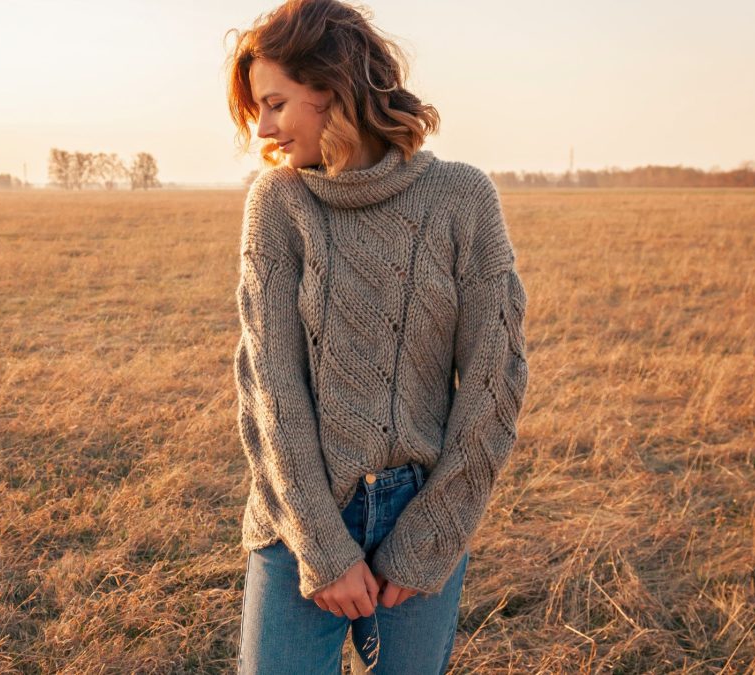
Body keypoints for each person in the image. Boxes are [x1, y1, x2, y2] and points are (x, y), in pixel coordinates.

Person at [224, 0, 530, 673]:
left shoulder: (463, 199)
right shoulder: (278, 205)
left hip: (424, 514)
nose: (265, 130)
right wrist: (322, 547)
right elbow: (271, 389)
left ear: (332, 87)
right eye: (258, 111)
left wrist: (430, 535)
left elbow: (494, 380)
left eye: (275, 103)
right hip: (297, 522)